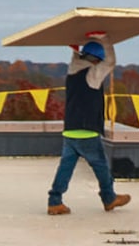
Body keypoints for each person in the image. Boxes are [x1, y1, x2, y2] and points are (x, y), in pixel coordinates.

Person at [47, 33, 130, 215]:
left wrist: (76, 46)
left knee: (65, 168)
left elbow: (76, 58)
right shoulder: (92, 75)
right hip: (87, 131)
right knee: (101, 167)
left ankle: (54, 201)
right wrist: (106, 39)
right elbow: (110, 62)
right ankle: (109, 198)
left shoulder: (72, 71)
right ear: (96, 59)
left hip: (70, 130)